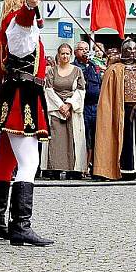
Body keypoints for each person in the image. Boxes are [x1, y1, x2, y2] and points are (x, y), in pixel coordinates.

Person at [0, 0, 52, 247]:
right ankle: (20, 226)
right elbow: (23, 28)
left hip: (12, 94)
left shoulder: (4, 27)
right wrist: (29, 8)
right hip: (23, 98)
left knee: (7, 162)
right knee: (29, 162)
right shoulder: (19, 22)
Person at [94, 38, 136, 181]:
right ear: (123, 51)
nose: (131, 52)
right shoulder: (115, 69)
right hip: (123, 110)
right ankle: (126, 170)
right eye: (128, 49)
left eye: (134, 49)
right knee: (126, 141)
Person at [43, 43, 86, 178]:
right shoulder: (52, 71)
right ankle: (54, 168)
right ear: (58, 55)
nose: (65, 56)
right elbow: (48, 89)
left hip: (71, 109)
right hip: (56, 109)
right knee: (56, 139)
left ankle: (73, 170)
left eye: (67, 53)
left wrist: (69, 104)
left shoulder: (77, 71)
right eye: (62, 53)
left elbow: (81, 90)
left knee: (73, 138)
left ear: (70, 55)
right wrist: (60, 106)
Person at [73, 41, 102, 177]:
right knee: (84, 139)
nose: (84, 52)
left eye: (86, 49)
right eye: (81, 49)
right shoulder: (73, 67)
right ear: (75, 52)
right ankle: (81, 168)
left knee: (96, 138)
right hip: (81, 107)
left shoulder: (94, 66)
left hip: (95, 107)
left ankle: (95, 167)